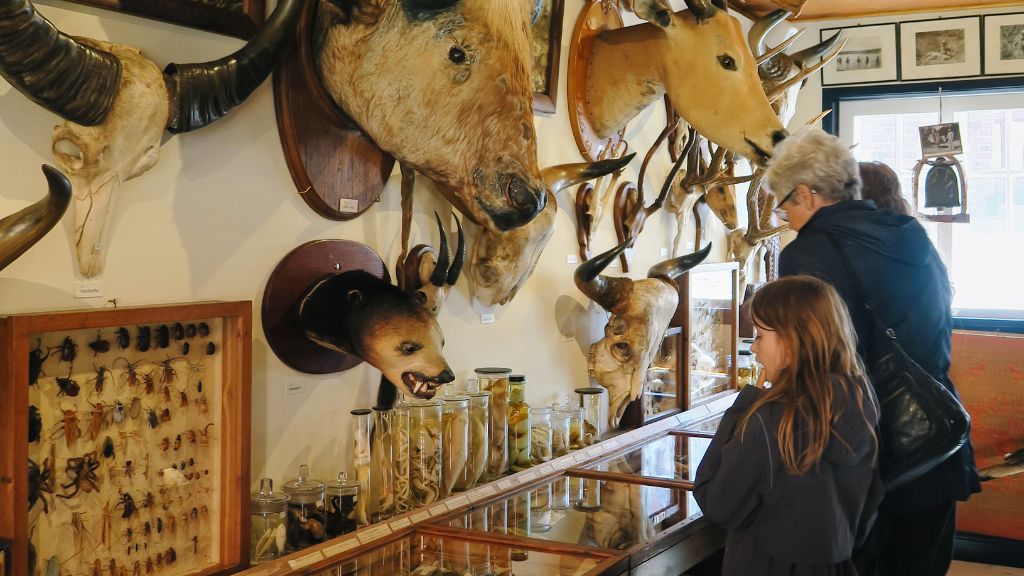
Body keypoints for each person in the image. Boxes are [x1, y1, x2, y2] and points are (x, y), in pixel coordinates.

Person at [765, 126, 981, 576]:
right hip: (934, 436)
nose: (785, 216)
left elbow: (814, 368)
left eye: (784, 203)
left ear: (805, 193)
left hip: (863, 456)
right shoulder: (908, 233)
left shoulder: (806, 255)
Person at [694, 275, 882, 576]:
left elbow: (718, 504)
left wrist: (742, 407)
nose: (754, 348)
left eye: (760, 336)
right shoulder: (861, 400)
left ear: (792, 343)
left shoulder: (768, 420)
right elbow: (869, 506)